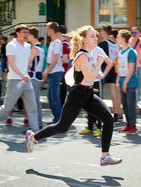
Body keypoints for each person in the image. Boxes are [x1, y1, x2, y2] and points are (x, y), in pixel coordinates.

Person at [25, 25, 122, 166]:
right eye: (92, 36)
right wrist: (99, 63)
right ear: (83, 40)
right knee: (61, 127)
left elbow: (92, 78)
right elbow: (89, 78)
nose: (96, 38)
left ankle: (105, 156)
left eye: (96, 35)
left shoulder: (90, 54)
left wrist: (100, 68)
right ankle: (33, 137)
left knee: (108, 119)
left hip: (88, 93)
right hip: (77, 95)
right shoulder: (81, 55)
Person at [0, 24, 39, 138]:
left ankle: (36, 132)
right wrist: (22, 75)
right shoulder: (11, 45)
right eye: (24, 32)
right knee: (8, 107)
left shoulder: (27, 46)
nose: (26, 35)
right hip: (15, 80)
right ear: (18, 33)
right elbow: (11, 63)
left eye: (27, 33)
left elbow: (25, 63)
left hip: (26, 80)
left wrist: (29, 69)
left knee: (32, 106)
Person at [79, 44, 113, 137]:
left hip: (96, 82)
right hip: (87, 81)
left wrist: (102, 75)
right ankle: (89, 127)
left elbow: (109, 63)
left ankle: (99, 128)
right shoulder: (84, 51)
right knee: (88, 104)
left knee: (98, 105)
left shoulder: (99, 50)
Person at [98, 25, 122, 122]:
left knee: (99, 94)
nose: (100, 33)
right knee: (114, 94)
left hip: (105, 69)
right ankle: (117, 114)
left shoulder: (103, 43)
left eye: (101, 31)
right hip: (114, 69)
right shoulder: (116, 44)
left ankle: (98, 115)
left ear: (104, 32)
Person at [116, 30, 138, 134]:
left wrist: (125, 82)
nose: (117, 38)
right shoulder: (120, 52)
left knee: (130, 104)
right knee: (124, 105)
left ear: (123, 39)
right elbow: (120, 68)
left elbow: (131, 68)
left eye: (118, 36)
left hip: (130, 81)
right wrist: (117, 81)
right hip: (122, 80)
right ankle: (128, 124)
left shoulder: (131, 52)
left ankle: (133, 126)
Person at [43, 22, 64, 124]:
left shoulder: (57, 43)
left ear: (52, 30)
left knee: (54, 96)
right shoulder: (52, 42)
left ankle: (58, 119)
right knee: (50, 96)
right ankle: (57, 118)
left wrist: (47, 70)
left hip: (56, 72)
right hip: (53, 71)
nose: (46, 31)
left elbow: (55, 59)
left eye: (47, 29)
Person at [27, 27, 44, 129]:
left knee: (33, 101)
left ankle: (36, 124)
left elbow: (28, 64)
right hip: (37, 76)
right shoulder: (40, 47)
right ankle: (38, 123)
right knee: (35, 101)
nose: (26, 36)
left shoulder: (35, 48)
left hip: (33, 76)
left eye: (28, 34)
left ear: (32, 35)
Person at [129, 27, 141, 107]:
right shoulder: (130, 40)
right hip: (132, 65)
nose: (134, 34)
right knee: (134, 84)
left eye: (135, 32)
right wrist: (132, 42)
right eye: (132, 33)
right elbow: (128, 49)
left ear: (139, 33)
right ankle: (135, 101)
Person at [58, 25, 70, 106]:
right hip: (64, 70)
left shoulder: (64, 44)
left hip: (63, 70)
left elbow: (65, 60)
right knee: (63, 92)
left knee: (63, 93)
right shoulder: (64, 43)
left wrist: (55, 60)